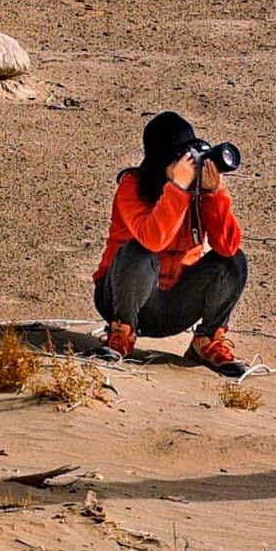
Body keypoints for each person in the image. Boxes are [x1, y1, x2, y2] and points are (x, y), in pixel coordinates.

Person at [94, 110, 248, 375]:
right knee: (139, 251)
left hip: (173, 305)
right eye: (181, 159)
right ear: (161, 162)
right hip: (121, 297)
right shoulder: (132, 185)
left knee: (234, 260)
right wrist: (176, 189)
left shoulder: (199, 193)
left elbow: (227, 246)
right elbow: (153, 239)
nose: (190, 166)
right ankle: (121, 334)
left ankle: (206, 340)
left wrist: (214, 194)